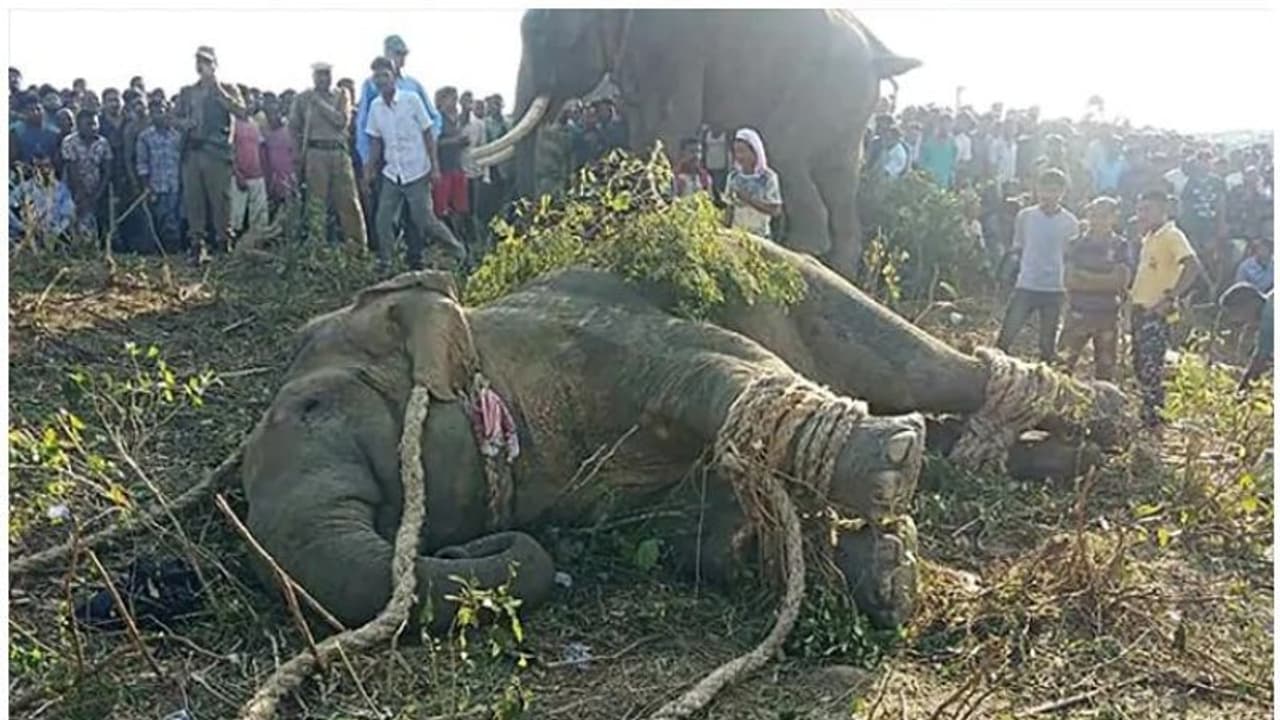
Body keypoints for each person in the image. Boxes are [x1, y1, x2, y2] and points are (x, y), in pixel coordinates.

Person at [363, 62, 465, 274]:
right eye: (377, 77)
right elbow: (375, 141)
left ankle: (458, 252)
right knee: (382, 219)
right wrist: (368, 170)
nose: (381, 80)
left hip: (417, 170)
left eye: (384, 75)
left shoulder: (411, 100)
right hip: (393, 172)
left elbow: (428, 133)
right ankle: (387, 262)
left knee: (424, 220)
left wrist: (435, 167)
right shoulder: (375, 107)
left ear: (393, 77)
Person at [1129, 190, 1203, 430]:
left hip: (1155, 312)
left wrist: (1171, 297)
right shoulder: (1149, 237)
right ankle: (1147, 415)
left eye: (1148, 210)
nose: (1142, 215)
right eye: (1140, 210)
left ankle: (1153, 421)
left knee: (1151, 367)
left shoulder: (1172, 235)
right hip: (1140, 309)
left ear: (1164, 210)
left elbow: (1192, 266)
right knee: (1140, 365)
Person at [994, 169, 1079, 363]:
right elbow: (1019, 247)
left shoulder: (1070, 223)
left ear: (1062, 193)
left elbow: (1069, 256)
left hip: (1054, 287)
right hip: (1027, 284)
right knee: (1006, 335)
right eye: (1045, 190)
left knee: (1047, 344)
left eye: (1054, 191)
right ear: (1037, 190)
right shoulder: (1025, 216)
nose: (1048, 195)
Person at [174, 46, 245, 264]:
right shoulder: (187, 92)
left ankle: (224, 243)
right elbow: (174, 118)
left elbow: (241, 112)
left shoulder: (227, 88)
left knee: (221, 201)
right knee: (194, 201)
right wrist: (185, 124)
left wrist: (218, 92)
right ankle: (197, 245)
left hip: (216, 153)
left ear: (214, 64)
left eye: (205, 61)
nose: (201, 65)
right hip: (193, 152)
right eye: (198, 61)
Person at [290, 62, 366, 248]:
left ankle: (357, 246)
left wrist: (320, 104)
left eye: (327, 74)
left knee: (348, 201)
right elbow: (293, 126)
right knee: (316, 203)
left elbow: (341, 121)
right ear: (313, 76)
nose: (323, 78)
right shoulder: (302, 98)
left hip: (338, 152)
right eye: (319, 74)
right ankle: (316, 245)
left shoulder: (341, 95)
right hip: (315, 153)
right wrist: (298, 152)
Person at [1058, 197, 1129, 380]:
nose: (1098, 220)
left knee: (1105, 371)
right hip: (1078, 314)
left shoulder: (1121, 245)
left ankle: (1102, 407)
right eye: (1094, 215)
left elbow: (1120, 281)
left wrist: (1087, 277)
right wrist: (1105, 280)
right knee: (1061, 366)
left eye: (1104, 216)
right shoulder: (1076, 244)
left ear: (1114, 218)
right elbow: (1070, 280)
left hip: (1108, 316)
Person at [354, 35, 441, 170]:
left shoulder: (413, 85)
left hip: (413, 158)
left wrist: (427, 144)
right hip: (383, 154)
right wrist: (366, 158)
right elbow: (363, 123)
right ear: (387, 53)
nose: (401, 58)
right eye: (397, 53)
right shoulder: (371, 84)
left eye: (404, 54)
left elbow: (433, 117)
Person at [134, 99, 184, 252]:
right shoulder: (145, 137)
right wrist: (147, 187)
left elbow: (183, 160)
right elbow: (142, 164)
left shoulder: (177, 136)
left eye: (161, 111)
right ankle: (161, 251)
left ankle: (174, 251)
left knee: (175, 219)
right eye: (154, 112)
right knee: (161, 219)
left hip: (175, 185)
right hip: (156, 186)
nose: (159, 115)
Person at [61, 108, 113, 241]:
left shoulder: (103, 143)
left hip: (96, 188)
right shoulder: (69, 142)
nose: (93, 128)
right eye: (88, 124)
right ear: (79, 126)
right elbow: (72, 170)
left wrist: (97, 193)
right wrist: (82, 193)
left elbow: (106, 170)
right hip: (73, 190)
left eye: (95, 124)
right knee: (72, 219)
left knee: (93, 221)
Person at [1178, 149, 1228, 285]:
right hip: (1194, 225)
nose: (1205, 163)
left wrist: (1221, 224)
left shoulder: (1218, 181)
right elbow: (1185, 206)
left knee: (1212, 257)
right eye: (1201, 160)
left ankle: (1214, 286)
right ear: (1196, 162)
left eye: (1208, 159)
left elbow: (1221, 204)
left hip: (1211, 224)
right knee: (1195, 256)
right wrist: (1186, 227)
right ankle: (1198, 286)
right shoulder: (1189, 182)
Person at [723, 127, 783, 240]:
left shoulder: (768, 177)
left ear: (754, 151)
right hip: (737, 236)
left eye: (742, 151)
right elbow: (729, 209)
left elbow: (775, 210)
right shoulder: (733, 178)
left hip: (761, 236)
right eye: (736, 152)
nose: (739, 156)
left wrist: (749, 200)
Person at [9, 152, 75, 248]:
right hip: (28, 237)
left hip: (55, 237)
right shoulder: (24, 189)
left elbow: (68, 215)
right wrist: (22, 227)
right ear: (33, 169)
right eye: (39, 167)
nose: (44, 170)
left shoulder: (61, 189)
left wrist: (56, 231)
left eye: (47, 166)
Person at [1218, 282, 1273, 392]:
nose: (1240, 321)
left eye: (1236, 314)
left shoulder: (1270, 316)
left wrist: (1241, 391)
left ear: (1248, 305)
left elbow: (1260, 359)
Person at [432, 86, 471, 236]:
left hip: (457, 168)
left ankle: (458, 237)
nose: (455, 101)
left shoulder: (456, 119)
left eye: (456, 98)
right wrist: (456, 141)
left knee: (460, 207)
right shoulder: (437, 118)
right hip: (443, 169)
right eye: (452, 98)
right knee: (442, 208)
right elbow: (434, 142)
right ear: (442, 100)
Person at [229, 104, 269, 247]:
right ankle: (233, 248)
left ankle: (256, 246)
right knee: (236, 217)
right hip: (239, 176)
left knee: (259, 216)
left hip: (257, 174)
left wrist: (263, 173)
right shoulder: (232, 123)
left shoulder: (254, 124)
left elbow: (260, 149)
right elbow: (229, 152)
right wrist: (237, 173)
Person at [260, 93, 297, 212]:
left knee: (290, 205)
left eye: (276, 113)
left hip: (289, 175)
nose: (274, 117)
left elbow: (295, 153)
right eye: (270, 115)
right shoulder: (265, 134)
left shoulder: (289, 131)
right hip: (273, 177)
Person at [9, 92, 60, 171]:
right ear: (25, 112)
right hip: (23, 175)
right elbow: (12, 159)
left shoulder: (54, 132)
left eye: (38, 109)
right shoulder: (15, 131)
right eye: (31, 110)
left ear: (44, 111)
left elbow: (57, 159)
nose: (36, 113)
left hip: (49, 173)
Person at [917, 116, 957, 188]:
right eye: (943, 124)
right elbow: (921, 163)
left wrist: (952, 179)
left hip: (944, 184)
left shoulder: (953, 143)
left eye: (948, 125)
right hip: (928, 182)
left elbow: (953, 163)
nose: (945, 127)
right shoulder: (928, 142)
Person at [700, 123, 731, 204]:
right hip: (709, 165)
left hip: (721, 166)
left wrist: (729, 165)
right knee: (710, 186)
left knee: (718, 186)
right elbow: (704, 149)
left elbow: (728, 151)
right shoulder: (707, 135)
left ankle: (718, 202)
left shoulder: (725, 136)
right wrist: (703, 163)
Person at [989, 118, 1018, 186]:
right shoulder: (996, 144)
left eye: (1012, 128)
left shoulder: (1014, 145)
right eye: (1007, 128)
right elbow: (992, 163)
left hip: (1010, 180)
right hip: (999, 181)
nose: (1010, 131)